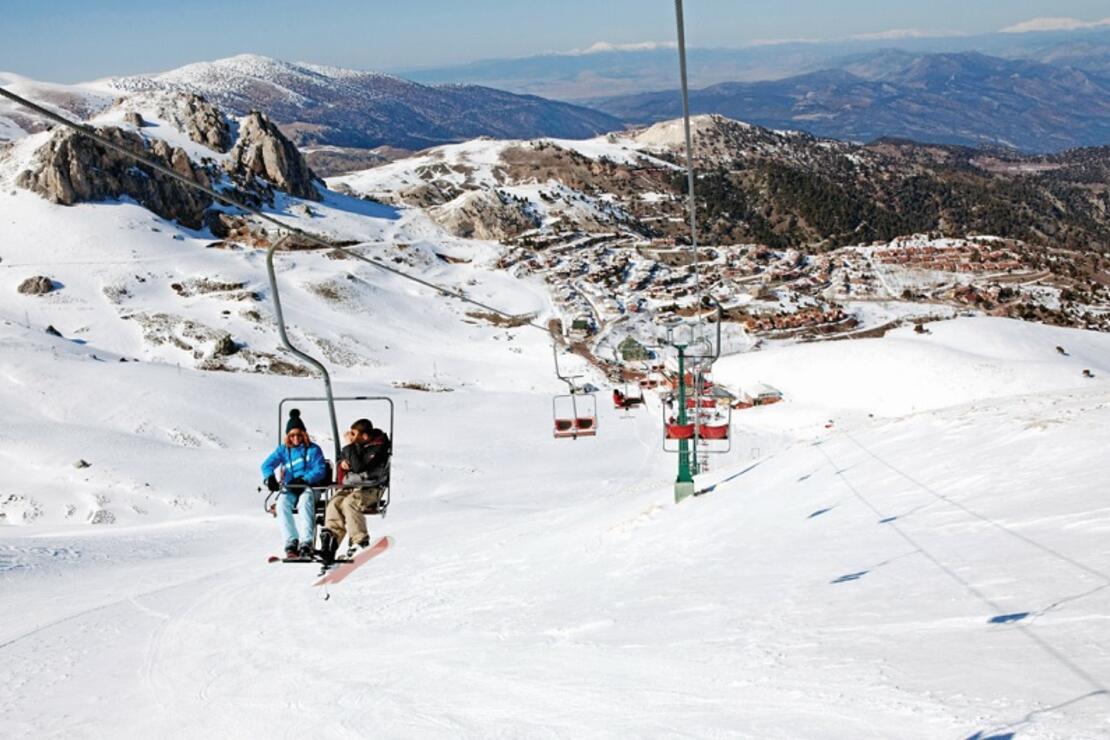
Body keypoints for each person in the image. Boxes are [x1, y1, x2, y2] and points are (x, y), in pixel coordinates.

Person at [319, 418, 390, 562]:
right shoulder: (359, 445)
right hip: (351, 486)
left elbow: (358, 467)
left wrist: (349, 447)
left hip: (371, 488)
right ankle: (330, 542)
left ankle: (360, 541)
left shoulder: (378, 447)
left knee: (350, 503)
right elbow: (346, 459)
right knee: (334, 503)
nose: (350, 436)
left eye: (353, 433)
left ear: (364, 436)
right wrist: (343, 463)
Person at [261, 409, 329, 559]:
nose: (296, 438)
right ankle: (291, 541)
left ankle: (306, 542)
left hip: (310, 487)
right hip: (291, 487)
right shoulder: (284, 450)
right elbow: (267, 465)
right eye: (292, 435)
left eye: (299, 435)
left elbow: (320, 469)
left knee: (305, 502)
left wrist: (305, 479)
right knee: (282, 504)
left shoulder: (313, 449)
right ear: (288, 436)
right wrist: (270, 477)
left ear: (304, 434)